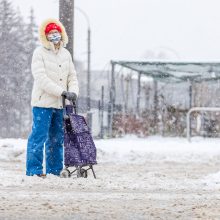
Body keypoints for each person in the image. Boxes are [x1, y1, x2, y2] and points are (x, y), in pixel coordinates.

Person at [26, 18, 79, 177]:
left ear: (61, 34)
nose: (54, 36)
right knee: (38, 137)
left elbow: (72, 76)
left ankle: (54, 171)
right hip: (42, 103)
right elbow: (41, 78)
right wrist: (62, 92)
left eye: (56, 33)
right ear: (45, 36)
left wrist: (74, 91)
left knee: (57, 139)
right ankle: (34, 171)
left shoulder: (66, 54)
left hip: (59, 105)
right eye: (50, 34)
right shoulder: (39, 53)